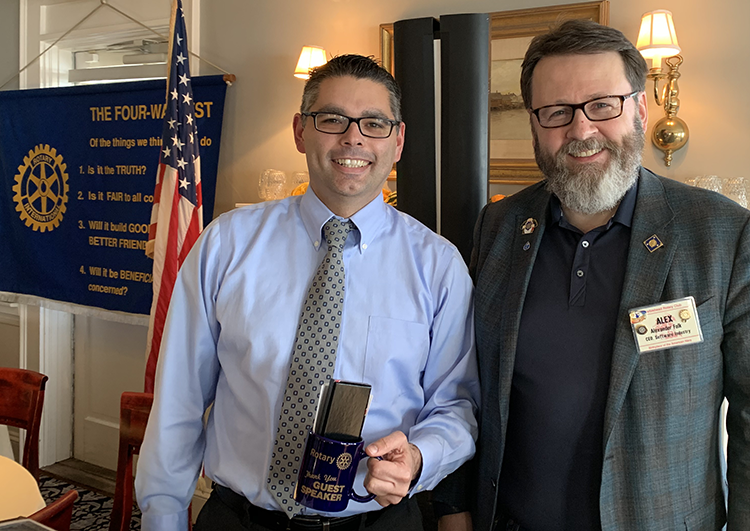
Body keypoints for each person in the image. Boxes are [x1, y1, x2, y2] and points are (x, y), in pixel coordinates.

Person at [135, 54, 479, 531]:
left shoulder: (438, 266)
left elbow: (456, 405)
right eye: (332, 119)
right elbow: (180, 400)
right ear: (300, 131)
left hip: (377, 523)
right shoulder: (226, 244)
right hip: (238, 520)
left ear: (398, 141)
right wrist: (163, 518)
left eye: (374, 123)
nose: (353, 138)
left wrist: (421, 456)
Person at [434, 19, 750, 531]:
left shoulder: (721, 233)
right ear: (534, 123)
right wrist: (453, 507)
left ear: (640, 109)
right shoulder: (500, 225)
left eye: (603, 105)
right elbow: (461, 381)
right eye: (557, 111)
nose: (581, 131)